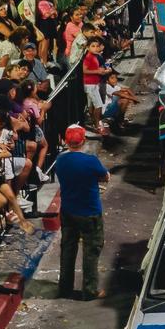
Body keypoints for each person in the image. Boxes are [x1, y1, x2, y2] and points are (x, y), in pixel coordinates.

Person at [53, 124, 108, 300]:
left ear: (66, 141)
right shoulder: (90, 161)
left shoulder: (61, 160)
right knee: (91, 251)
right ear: (83, 141)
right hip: (89, 211)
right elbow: (105, 176)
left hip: (68, 210)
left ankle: (65, 288)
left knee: (68, 249)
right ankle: (90, 289)